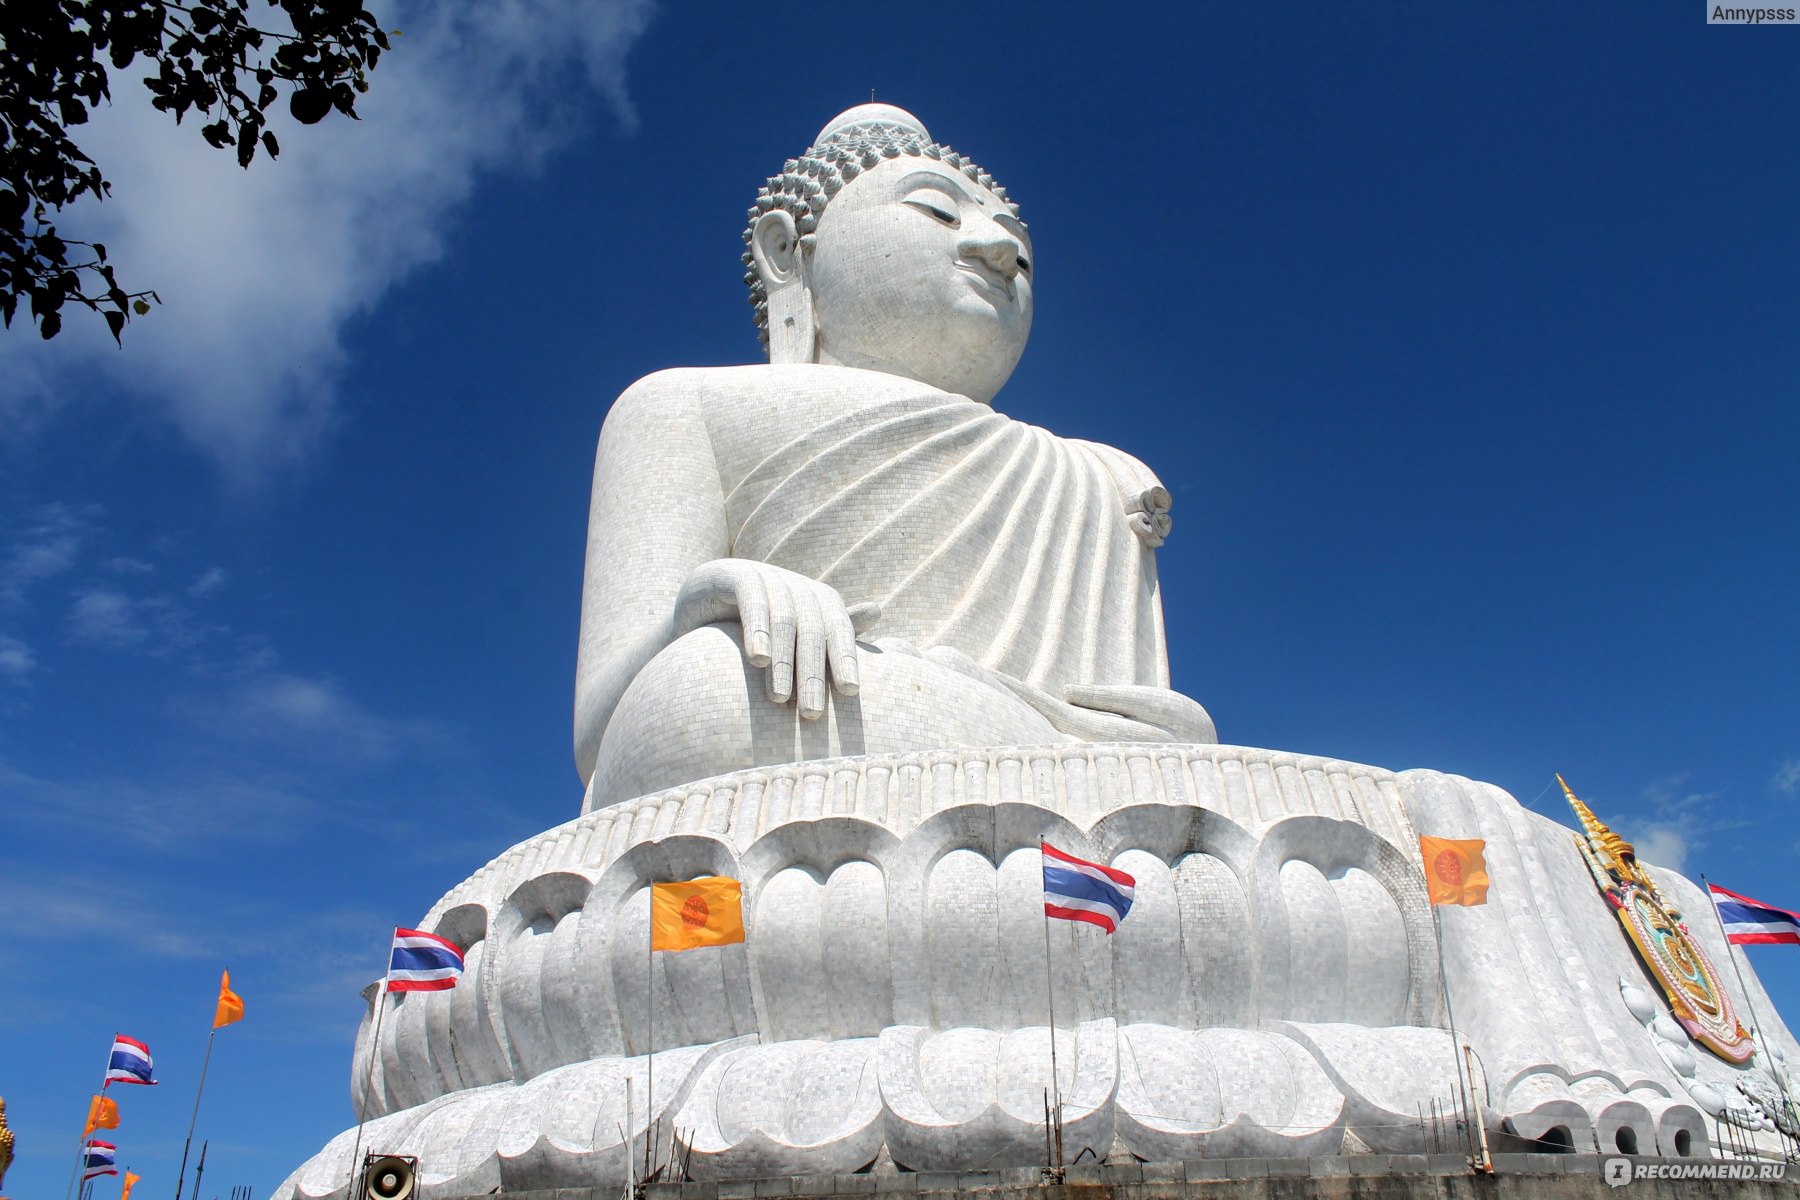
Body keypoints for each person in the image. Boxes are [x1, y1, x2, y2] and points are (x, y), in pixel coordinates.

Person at [573, 105, 1214, 812]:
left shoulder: (1099, 473)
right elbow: (601, 733)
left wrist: (1163, 737)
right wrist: (704, 602)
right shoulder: (680, 402)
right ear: (786, 251)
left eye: (1022, 251)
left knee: (1196, 760)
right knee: (702, 691)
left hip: (1014, 750)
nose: (999, 254)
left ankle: (1070, 802)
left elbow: (1120, 711)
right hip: (811, 713)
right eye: (940, 212)